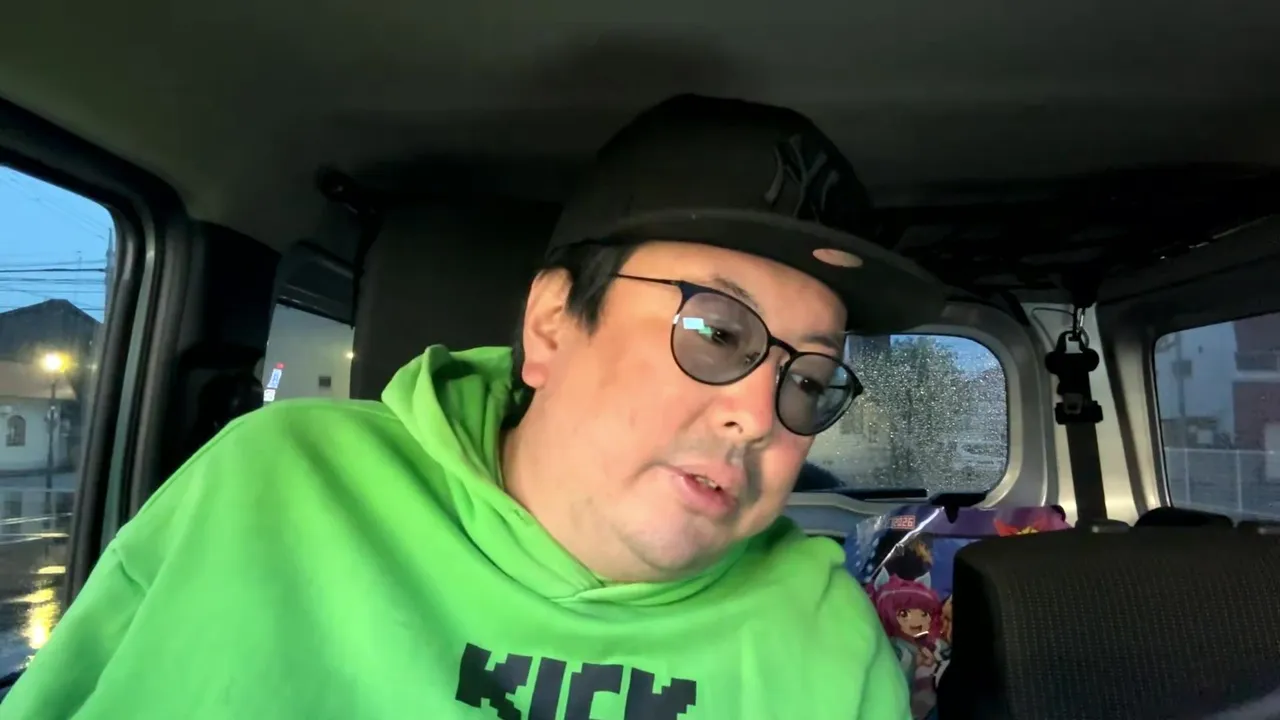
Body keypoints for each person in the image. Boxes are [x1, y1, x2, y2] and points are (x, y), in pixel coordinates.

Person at [1, 94, 945, 719]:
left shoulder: (823, 638)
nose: (760, 415)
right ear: (551, 325)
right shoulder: (274, 485)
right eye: (716, 332)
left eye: (809, 380)